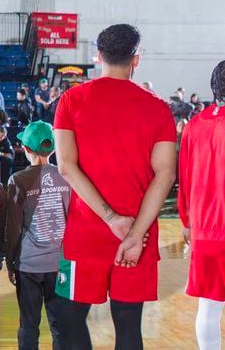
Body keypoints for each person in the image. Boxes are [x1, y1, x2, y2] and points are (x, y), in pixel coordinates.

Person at [53, 24, 177, 350]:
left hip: (86, 232)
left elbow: (66, 166)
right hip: (139, 236)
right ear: (136, 60)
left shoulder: (71, 99)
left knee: (71, 322)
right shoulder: (158, 107)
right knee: (128, 326)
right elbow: (165, 175)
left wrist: (110, 219)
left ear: (97, 56)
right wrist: (134, 233)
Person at [4, 121, 70, 350]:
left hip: (29, 264)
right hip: (61, 264)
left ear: (26, 149)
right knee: (61, 326)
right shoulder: (68, 177)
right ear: (52, 149)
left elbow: (12, 227)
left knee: (29, 326)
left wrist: (10, 262)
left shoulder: (18, 180)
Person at [178, 61, 225, 350]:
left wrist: (186, 220)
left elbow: (184, 175)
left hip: (205, 229)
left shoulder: (195, 125)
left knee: (208, 306)